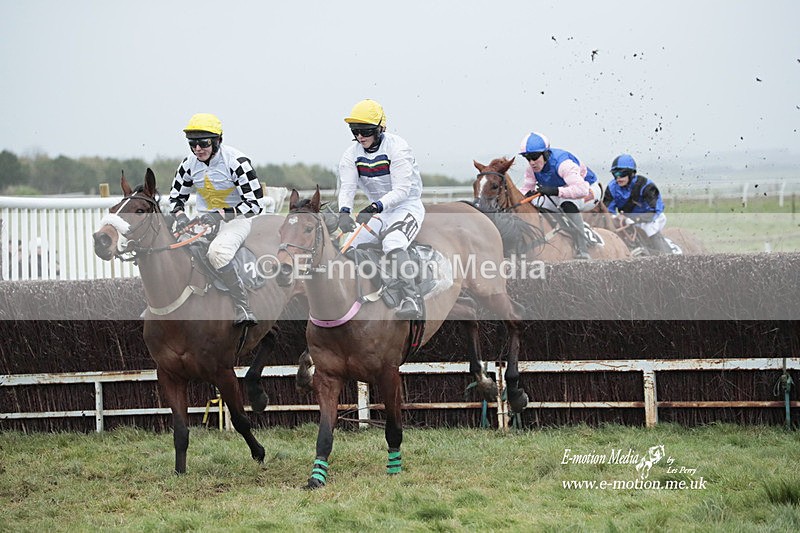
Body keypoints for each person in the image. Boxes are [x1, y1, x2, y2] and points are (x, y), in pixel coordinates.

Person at [169, 113, 264, 327]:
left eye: (203, 143)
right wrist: (180, 215)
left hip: (236, 221)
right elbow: (176, 197)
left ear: (217, 140)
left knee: (217, 253)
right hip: (202, 221)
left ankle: (243, 306)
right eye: (192, 144)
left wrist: (220, 215)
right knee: (172, 250)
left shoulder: (237, 162)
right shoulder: (188, 164)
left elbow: (255, 204)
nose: (198, 149)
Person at [337, 99, 425, 320]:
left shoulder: (398, 148)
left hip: (407, 206)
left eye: (365, 131)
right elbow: (347, 187)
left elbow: (402, 190)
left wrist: (375, 205)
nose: (359, 136)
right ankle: (382, 285)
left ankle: (410, 297)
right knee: (348, 247)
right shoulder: (351, 154)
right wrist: (344, 212)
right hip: (380, 211)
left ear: (379, 128)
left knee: (392, 242)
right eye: (355, 131)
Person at [518, 132, 601, 260]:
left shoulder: (563, 164)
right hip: (563, 191)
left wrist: (555, 191)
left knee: (567, 203)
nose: (531, 162)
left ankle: (582, 248)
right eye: (527, 158)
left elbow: (582, 189)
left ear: (545, 154)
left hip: (589, 189)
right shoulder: (531, 169)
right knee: (537, 204)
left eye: (534, 157)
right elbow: (525, 189)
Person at [603, 154, 671, 254]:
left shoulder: (646, 185)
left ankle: (667, 256)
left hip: (652, 218)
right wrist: (615, 218)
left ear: (632, 173)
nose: (618, 178)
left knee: (648, 229)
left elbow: (655, 210)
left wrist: (635, 219)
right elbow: (608, 210)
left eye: (622, 174)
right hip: (627, 220)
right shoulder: (612, 187)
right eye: (615, 174)